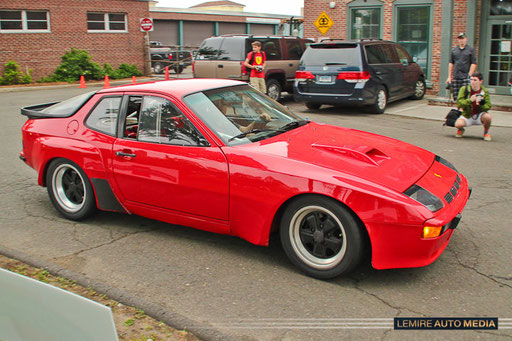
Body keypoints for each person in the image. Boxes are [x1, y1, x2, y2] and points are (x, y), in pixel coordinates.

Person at [454, 71, 492, 141]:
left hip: (479, 115)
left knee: (488, 117)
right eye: (471, 79)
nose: (472, 82)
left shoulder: (484, 91)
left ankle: (486, 132)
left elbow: (488, 106)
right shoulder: (464, 89)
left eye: (475, 80)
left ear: (480, 81)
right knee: (458, 124)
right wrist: (470, 100)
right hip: (467, 115)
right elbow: (459, 103)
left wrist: (481, 104)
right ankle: (460, 129)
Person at [447, 33, 477, 101]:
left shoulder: (470, 50)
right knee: (457, 97)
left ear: (466, 39)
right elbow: (451, 63)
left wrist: (469, 75)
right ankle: (458, 110)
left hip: (465, 77)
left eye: (462, 38)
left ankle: (465, 111)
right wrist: (449, 77)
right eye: (459, 39)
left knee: (465, 96)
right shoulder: (454, 50)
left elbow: (473, 63)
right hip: (456, 76)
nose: (461, 40)